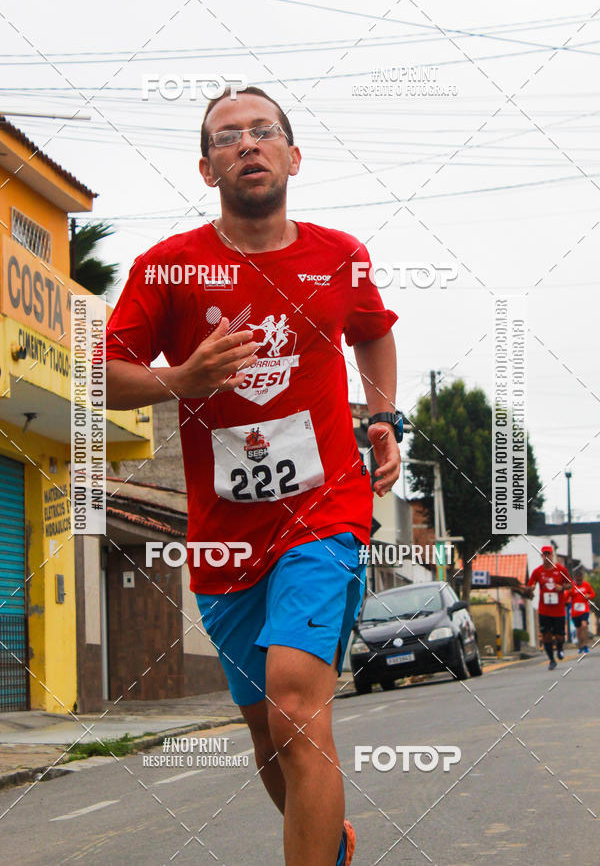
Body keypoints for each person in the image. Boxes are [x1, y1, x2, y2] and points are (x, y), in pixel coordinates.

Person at [104, 85, 401, 866]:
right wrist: (182, 381)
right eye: (228, 136)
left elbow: (371, 334)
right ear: (208, 170)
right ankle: (325, 838)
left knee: (298, 709)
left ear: (292, 156)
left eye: (263, 130)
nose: (248, 143)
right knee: (269, 736)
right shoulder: (166, 269)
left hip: (325, 510)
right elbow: (99, 375)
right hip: (224, 536)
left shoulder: (341, 257)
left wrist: (382, 417)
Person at [524, 545, 572, 670]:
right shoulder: (537, 571)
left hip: (559, 610)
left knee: (560, 636)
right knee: (546, 635)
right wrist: (530, 589)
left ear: (552, 555)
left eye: (549, 554)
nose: (547, 557)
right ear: (541, 556)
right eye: (544, 554)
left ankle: (560, 647)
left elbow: (569, 585)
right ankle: (551, 660)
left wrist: (561, 588)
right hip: (544, 610)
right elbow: (530, 587)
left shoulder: (561, 569)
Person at [566, 567, 595, 653]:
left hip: (584, 610)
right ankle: (580, 645)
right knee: (578, 629)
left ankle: (585, 645)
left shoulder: (586, 585)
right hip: (575, 612)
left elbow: (592, 594)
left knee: (584, 625)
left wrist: (589, 596)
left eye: (580, 579)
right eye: (578, 580)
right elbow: (566, 596)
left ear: (582, 578)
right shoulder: (572, 586)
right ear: (575, 578)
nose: (579, 581)